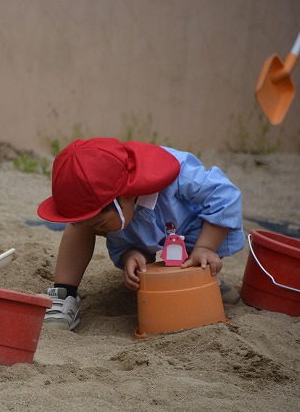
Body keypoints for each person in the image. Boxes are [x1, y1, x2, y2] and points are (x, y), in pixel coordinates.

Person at [37, 138, 245, 331]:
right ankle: (64, 293)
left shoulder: (177, 174)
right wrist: (132, 255)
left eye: (101, 225)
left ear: (126, 197)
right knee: (80, 224)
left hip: (190, 226)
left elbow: (224, 194)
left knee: (207, 231)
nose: (98, 232)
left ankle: (201, 276)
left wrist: (205, 247)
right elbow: (121, 241)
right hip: (139, 224)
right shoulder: (116, 211)